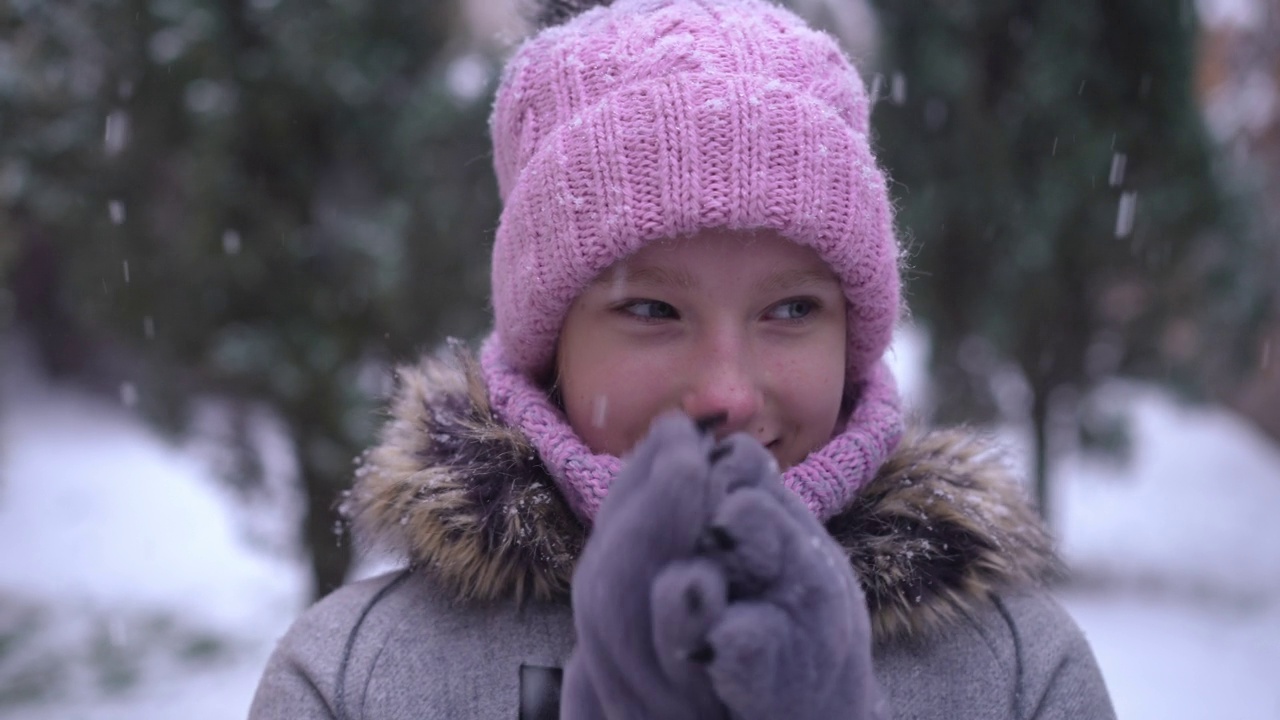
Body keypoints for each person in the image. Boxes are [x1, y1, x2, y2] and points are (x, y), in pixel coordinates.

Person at [248, 0, 1117, 717]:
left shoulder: (1014, 675)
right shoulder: (360, 680)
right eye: (652, 309)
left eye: (790, 309)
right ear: (552, 346)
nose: (728, 394)